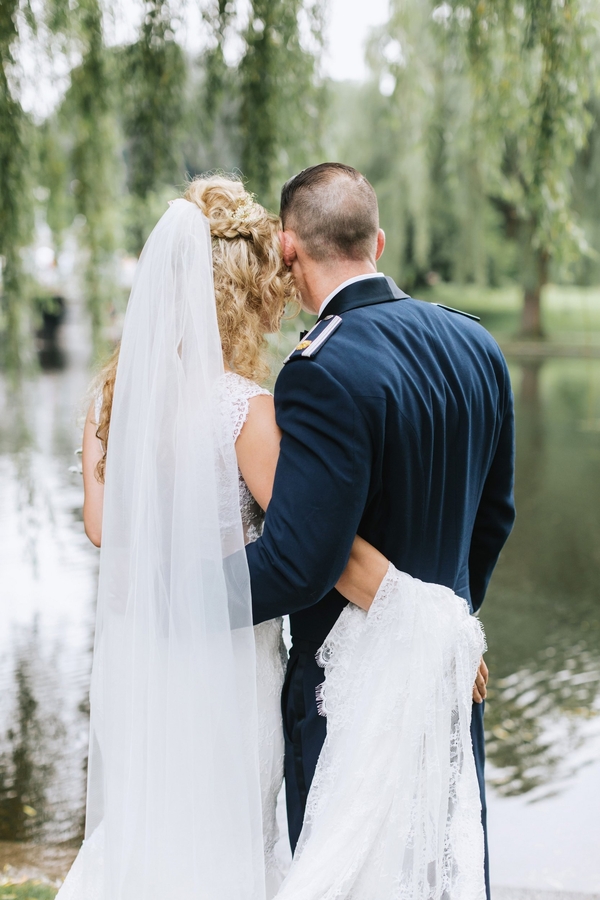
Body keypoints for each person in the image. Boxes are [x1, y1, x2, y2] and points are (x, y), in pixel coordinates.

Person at [63, 172, 500, 900]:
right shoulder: (248, 409)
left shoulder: (115, 401)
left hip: (150, 651)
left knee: (154, 825)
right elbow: (326, 548)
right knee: (236, 838)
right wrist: (436, 618)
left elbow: (106, 528)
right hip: (232, 660)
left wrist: (167, 587)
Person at [246, 163, 516, 899]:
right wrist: (444, 623)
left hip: (349, 691)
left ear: (288, 248)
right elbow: (495, 517)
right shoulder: (477, 346)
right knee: (440, 869)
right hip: (446, 678)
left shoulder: (320, 368)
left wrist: (174, 587)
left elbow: (300, 565)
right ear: (379, 242)